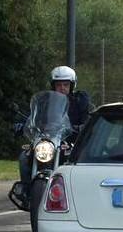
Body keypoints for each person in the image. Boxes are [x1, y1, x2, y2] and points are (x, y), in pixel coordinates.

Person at [12, 66, 92, 210]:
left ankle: (80, 194)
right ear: (53, 85)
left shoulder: (80, 101)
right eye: (58, 84)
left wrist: (81, 128)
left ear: (72, 85)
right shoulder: (45, 102)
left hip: (70, 142)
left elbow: (87, 120)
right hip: (47, 141)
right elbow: (33, 118)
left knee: (82, 160)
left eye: (65, 85)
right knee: (25, 157)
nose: (62, 88)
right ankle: (27, 191)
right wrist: (22, 125)